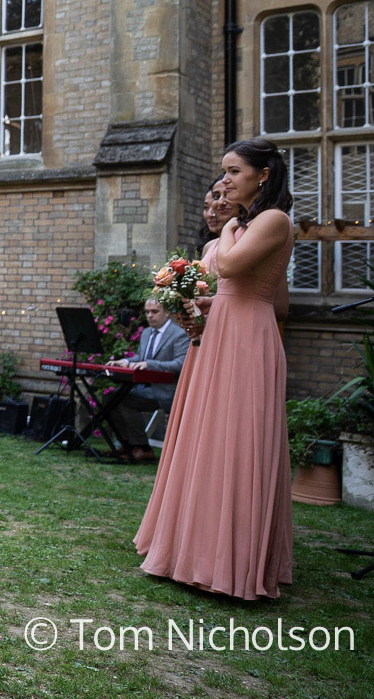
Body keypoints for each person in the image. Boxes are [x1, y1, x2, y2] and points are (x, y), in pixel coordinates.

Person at [135, 137, 295, 600]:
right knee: (208, 438)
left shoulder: (273, 220)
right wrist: (201, 304)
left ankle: (231, 562)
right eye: (223, 172)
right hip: (219, 334)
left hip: (247, 340)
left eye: (232, 172)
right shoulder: (252, 223)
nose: (223, 183)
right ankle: (192, 551)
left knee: (237, 440)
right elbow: (250, 289)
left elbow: (240, 274)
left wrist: (228, 231)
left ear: (262, 175)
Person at [103, 298, 188, 461]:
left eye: (154, 312)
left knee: (126, 401)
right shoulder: (147, 332)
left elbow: (180, 364)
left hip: (166, 390)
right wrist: (126, 362)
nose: (149, 316)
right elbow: (141, 357)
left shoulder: (179, 334)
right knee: (110, 398)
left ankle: (143, 448)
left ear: (167, 313)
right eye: (147, 312)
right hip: (143, 387)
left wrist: (149, 364)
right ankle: (126, 445)